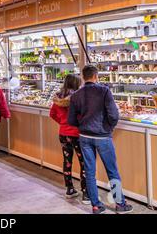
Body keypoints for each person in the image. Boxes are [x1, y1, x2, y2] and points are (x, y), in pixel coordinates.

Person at [68, 65, 133, 214]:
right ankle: (120, 204)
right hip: (103, 136)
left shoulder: (76, 95)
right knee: (112, 171)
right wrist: (109, 128)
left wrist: (83, 125)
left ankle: (96, 205)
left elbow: (71, 120)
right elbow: (114, 115)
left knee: (89, 171)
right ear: (96, 76)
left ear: (83, 77)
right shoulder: (104, 91)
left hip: (84, 137)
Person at [50, 74, 89, 204]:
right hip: (77, 134)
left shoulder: (57, 97)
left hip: (63, 134)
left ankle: (69, 189)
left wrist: (62, 122)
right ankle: (86, 193)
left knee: (67, 161)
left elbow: (52, 114)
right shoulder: (78, 98)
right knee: (84, 163)